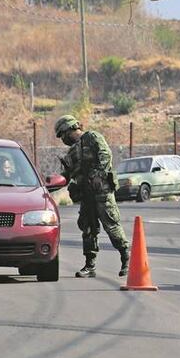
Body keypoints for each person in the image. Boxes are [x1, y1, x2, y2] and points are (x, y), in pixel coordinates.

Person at [54, 115, 130, 278]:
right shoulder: (72, 152)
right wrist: (52, 183)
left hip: (101, 191)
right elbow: (68, 174)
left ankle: (127, 259)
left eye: (63, 134)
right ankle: (90, 265)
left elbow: (106, 155)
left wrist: (98, 174)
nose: (63, 139)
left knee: (111, 225)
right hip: (86, 194)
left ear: (70, 128)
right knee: (88, 229)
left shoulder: (93, 137)